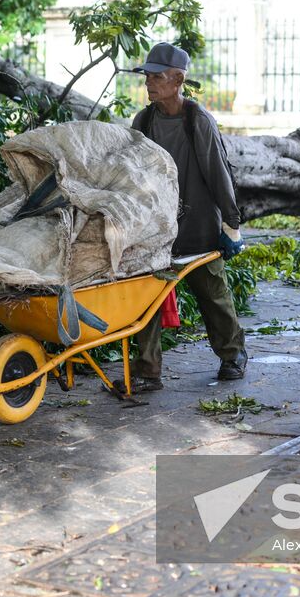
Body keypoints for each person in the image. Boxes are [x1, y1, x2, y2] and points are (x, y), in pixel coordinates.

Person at [125, 41, 248, 392]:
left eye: (156, 77)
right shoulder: (144, 120)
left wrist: (231, 224)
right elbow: (133, 173)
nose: (148, 83)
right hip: (157, 229)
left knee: (213, 294)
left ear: (178, 79)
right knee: (146, 298)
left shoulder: (198, 120)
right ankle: (148, 372)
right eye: (146, 76)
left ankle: (233, 355)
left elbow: (218, 173)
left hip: (197, 226)